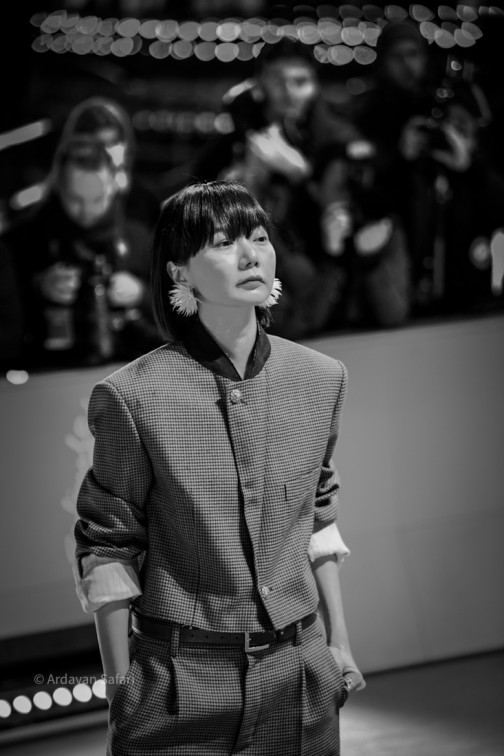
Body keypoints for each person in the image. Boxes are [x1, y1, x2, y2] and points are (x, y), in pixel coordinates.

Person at [73, 180, 365, 755]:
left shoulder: (320, 377)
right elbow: (108, 546)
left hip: (300, 672)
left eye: (259, 238)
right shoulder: (134, 396)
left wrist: (339, 645)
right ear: (179, 271)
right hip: (179, 682)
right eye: (225, 242)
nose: (250, 255)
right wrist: (122, 691)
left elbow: (317, 518)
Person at [3, 136, 161, 368]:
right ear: (58, 185)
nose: (87, 210)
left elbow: (181, 312)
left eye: (98, 199)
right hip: (49, 372)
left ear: (113, 186)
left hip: (129, 369)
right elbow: (8, 332)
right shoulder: (23, 241)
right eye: (76, 199)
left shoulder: (141, 237)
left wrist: (142, 294)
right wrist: (38, 287)